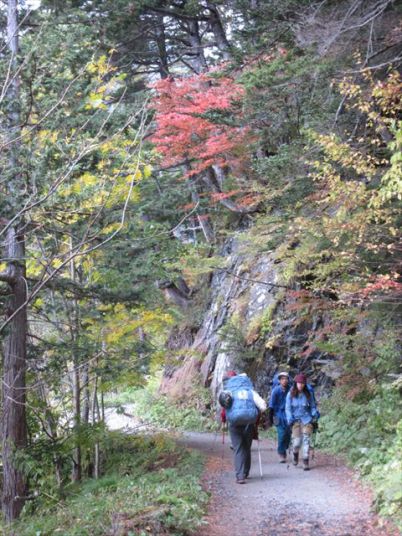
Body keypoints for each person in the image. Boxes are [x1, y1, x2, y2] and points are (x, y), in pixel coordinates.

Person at [220, 371, 267, 484]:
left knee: (238, 448)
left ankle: (240, 476)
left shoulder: (229, 391)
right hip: (249, 423)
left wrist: (224, 420)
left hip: (234, 423)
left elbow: (224, 409)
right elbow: (263, 406)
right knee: (246, 447)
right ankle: (246, 472)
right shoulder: (250, 392)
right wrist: (255, 414)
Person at [285, 372, 319, 471]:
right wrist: (289, 418)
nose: (300, 385)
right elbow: (288, 408)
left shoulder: (308, 393)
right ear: (296, 383)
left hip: (307, 419)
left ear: (305, 384)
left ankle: (305, 461)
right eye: (299, 383)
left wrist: (315, 413)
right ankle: (295, 454)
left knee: (306, 440)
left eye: (302, 383)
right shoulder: (290, 394)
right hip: (295, 420)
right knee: (296, 442)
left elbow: (313, 406)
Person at [268, 371, 291, 463]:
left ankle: (284, 448)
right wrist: (270, 419)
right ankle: (281, 453)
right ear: (279, 380)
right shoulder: (276, 391)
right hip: (278, 415)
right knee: (281, 434)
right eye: (282, 379)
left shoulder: (291, 390)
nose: (284, 380)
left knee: (288, 434)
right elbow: (271, 405)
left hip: (288, 415)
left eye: (286, 379)